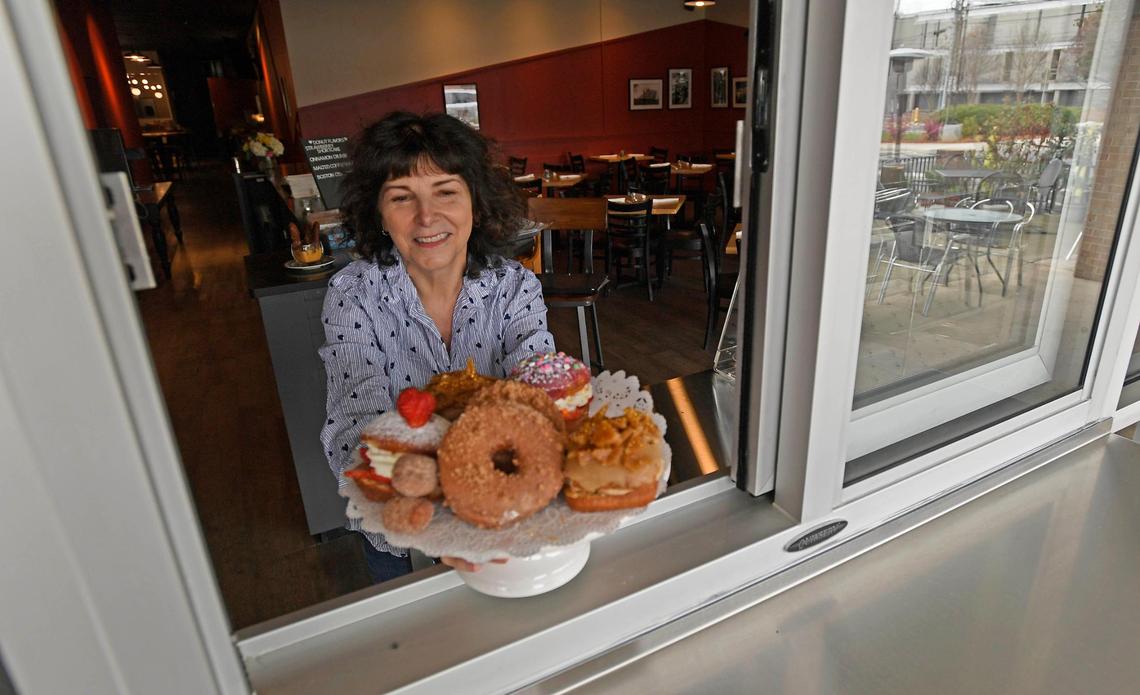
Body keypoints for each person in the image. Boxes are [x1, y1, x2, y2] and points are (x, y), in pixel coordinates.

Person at [318, 112, 555, 582]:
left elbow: (537, 388)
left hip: (502, 519)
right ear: (378, 214)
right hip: (401, 535)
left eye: (445, 191)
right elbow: (354, 424)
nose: (427, 218)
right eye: (402, 197)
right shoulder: (352, 294)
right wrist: (438, 519)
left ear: (476, 204)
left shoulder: (515, 287)